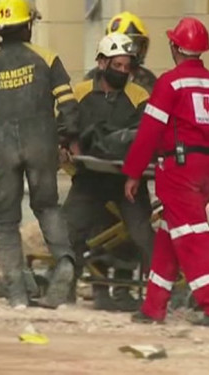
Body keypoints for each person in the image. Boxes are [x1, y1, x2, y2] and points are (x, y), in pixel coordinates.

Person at [122, 17, 209, 328]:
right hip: (208, 170)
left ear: (175, 47)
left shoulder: (171, 83)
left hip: (179, 170)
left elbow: (149, 131)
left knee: (191, 237)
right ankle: (153, 307)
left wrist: (133, 172)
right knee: (170, 235)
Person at [0, 0, 80, 309]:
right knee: (47, 206)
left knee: (5, 220)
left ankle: (17, 291)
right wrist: (63, 138)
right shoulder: (47, 59)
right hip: (41, 142)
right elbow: (70, 108)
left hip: (3, 147)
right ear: (27, 26)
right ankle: (64, 263)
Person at [64, 32, 154, 312]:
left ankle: (157, 296)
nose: (123, 72)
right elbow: (67, 127)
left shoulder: (139, 96)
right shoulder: (79, 93)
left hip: (126, 180)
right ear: (102, 63)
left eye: (128, 67)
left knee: (141, 235)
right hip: (89, 178)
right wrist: (73, 153)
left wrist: (135, 175)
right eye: (118, 66)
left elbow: (145, 138)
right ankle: (65, 287)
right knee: (71, 231)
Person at [84, 11, 158, 92]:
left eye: (138, 45)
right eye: (129, 46)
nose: (134, 51)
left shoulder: (147, 79)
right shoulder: (93, 79)